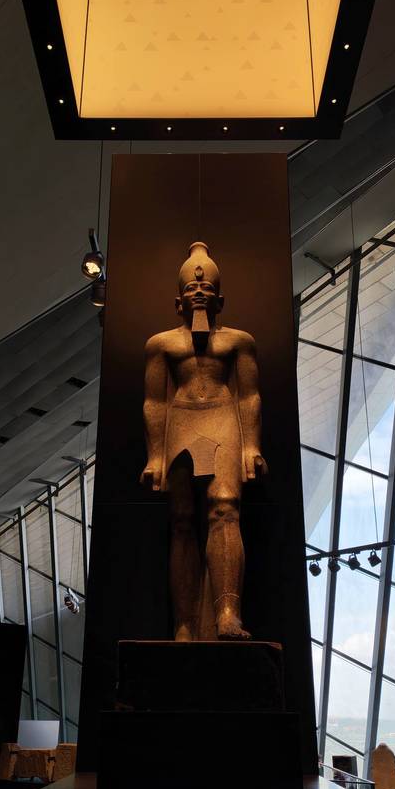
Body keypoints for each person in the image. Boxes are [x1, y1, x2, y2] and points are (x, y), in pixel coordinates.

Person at [141, 242, 267, 641]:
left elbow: (249, 396)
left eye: (207, 288)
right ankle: (183, 623)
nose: (200, 291)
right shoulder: (161, 344)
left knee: (225, 509)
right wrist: (154, 456)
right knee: (181, 521)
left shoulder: (238, 342)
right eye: (193, 289)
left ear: (220, 298)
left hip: (222, 417)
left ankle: (228, 613)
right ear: (179, 300)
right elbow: (154, 401)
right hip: (181, 420)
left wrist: (251, 446)